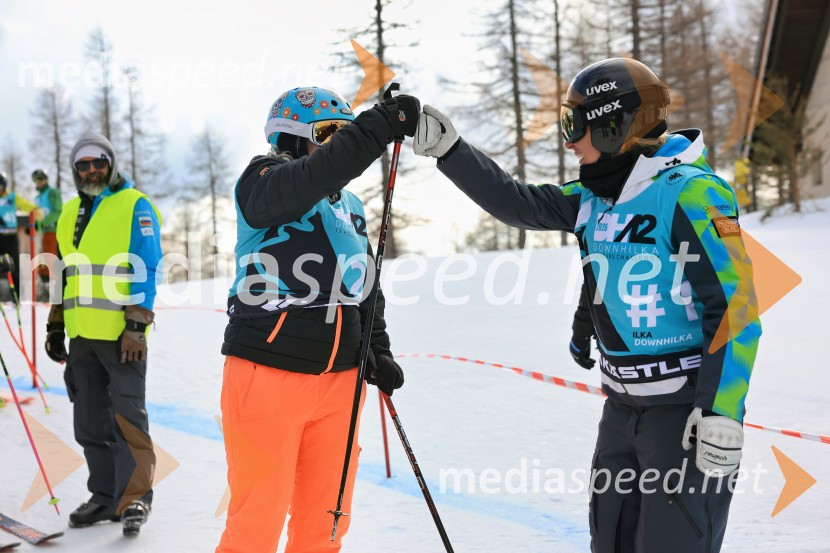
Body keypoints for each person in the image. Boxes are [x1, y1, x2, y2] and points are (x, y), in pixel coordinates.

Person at [414, 58, 761, 552]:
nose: (568, 140)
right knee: (611, 539)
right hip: (621, 413)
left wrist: (721, 411)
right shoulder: (595, 198)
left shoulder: (690, 194)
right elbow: (520, 203)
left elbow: (734, 306)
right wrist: (450, 151)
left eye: (574, 125)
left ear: (615, 124)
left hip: (681, 417)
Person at [216, 85, 417, 553]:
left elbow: (365, 283)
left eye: (345, 134)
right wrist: (376, 126)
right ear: (290, 136)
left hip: (339, 386)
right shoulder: (262, 181)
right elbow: (312, 175)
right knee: (256, 526)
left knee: (325, 525)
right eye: (330, 133)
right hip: (268, 371)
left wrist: (377, 349)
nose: (341, 144)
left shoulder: (348, 206)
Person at [44, 131, 162, 536]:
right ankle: (105, 496)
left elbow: (146, 267)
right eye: (83, 164)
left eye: (99, 162)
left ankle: (134, 502)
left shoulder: (135, 205)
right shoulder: (68, 211)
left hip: (121, 336)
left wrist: (136, 326)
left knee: (127, 418)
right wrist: (56, 324)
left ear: (111, 163)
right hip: (82, 337)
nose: (92, 169)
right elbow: (65, 273)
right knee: (89, 421)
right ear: (76, 170)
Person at [0, 172, 42, 299]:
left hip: (11, 237)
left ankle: (16, 297)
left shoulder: (12, 197)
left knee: (14, 268)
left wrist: (36, 214)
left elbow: (29, 207)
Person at [32, 169, 63, 301]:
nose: (39, 182)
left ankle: (57, 289)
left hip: (53, 230)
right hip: (42, 231)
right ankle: (45, 289)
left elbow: (58, 210)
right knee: (41, 259)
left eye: (41, 178)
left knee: (51, 257)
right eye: (37, 179)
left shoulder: (52, 192)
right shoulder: (38, 197)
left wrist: (45, 222)